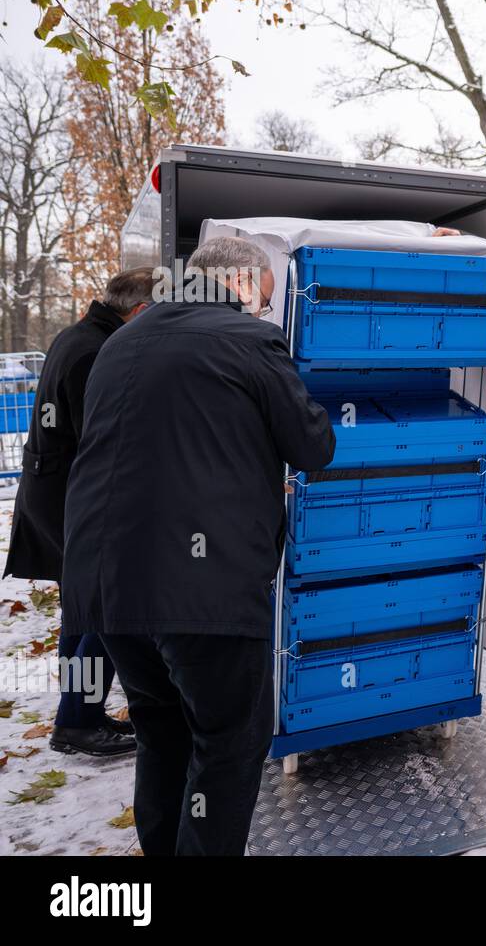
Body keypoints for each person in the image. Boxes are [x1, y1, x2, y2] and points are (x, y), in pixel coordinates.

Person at [60, 236, 336, 855]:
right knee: (230, 744)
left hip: (107, 585)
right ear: (239, 283)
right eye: (261, 301)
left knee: (163, 733)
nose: (262, 313)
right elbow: (313, 446)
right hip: (202, 590)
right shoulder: (247, 340)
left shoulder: (120, 342)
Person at [5, 268, 156, 757]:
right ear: (138, 311)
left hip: (58, 497)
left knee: (82, 617)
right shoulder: (98, 351)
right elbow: (104, 438)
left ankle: (80, 715)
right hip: (77, 503)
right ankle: (77, 720)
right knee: (100, 614)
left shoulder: (80, 335)